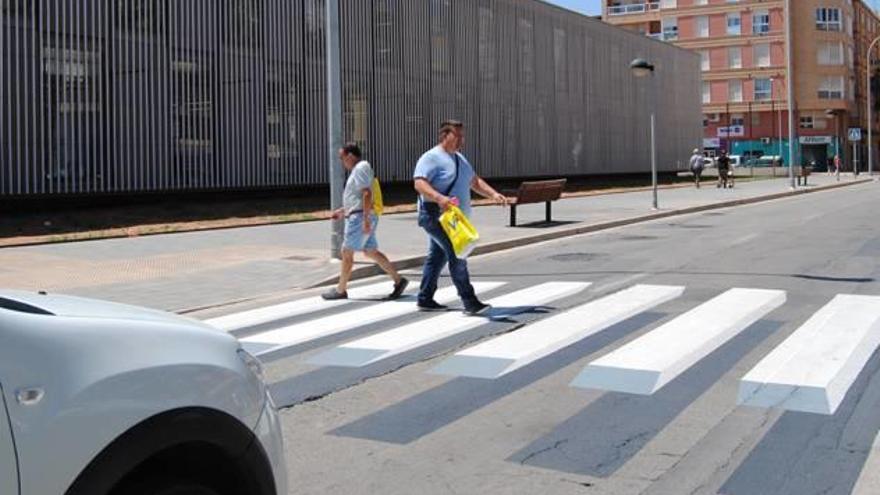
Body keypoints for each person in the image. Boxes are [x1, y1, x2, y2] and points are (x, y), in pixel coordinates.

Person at [413, 120, 508, 316]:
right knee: (458, 253)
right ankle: (469, 301)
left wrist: (493, 194)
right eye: (457, 136)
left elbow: (474, 181)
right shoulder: (431, 157)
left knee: (437, 257)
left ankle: (425, 298)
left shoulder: (459, 158)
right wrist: (440, 198)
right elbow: (419, 183)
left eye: (462, 136)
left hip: (451, 219)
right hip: (434, 215)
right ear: (444, 135)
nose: (461, 141)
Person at [323, 143, 408, 301]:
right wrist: (343, 211)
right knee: (370, 251)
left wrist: (366, 219)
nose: (342, 162)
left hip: (360, 217)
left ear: (350, 155)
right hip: (360, 215)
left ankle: (341, 289)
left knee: (347, 251)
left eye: (342, 158)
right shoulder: (359, 169)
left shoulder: (360, 168)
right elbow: (359, 198)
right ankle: (399, 280)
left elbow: (367, 194)